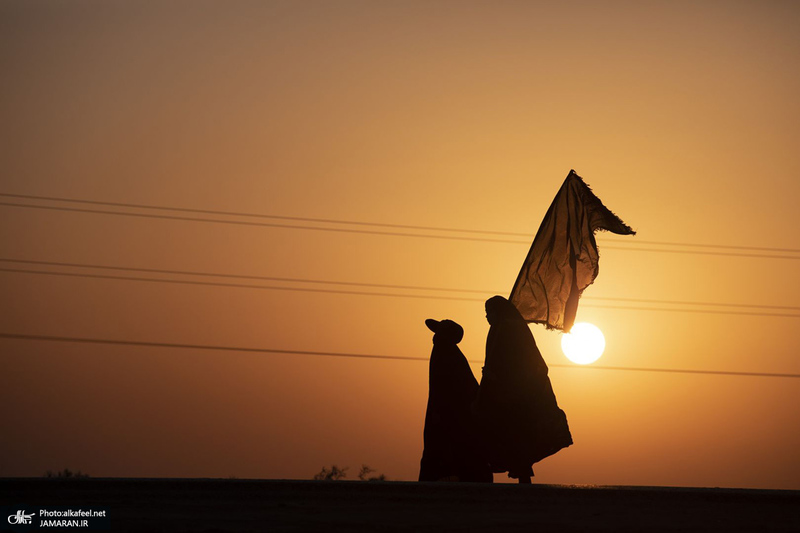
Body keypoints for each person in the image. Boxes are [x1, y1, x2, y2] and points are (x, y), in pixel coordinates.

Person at [474, 296, 573, 483]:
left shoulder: (511, 330)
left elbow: (519, 363)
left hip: (516, 396)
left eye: (490, 312)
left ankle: (523, 479)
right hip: (503, 395)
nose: (487, 317)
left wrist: (500, 378)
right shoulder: (500, 330)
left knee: (517, 436)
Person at [419, 318, 492, 483]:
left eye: (439, 332)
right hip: (448, 416)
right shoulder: (446, 352)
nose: (434, 336)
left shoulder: (446, 353)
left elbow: (461, 389)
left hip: (452, 418)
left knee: (450, 454)